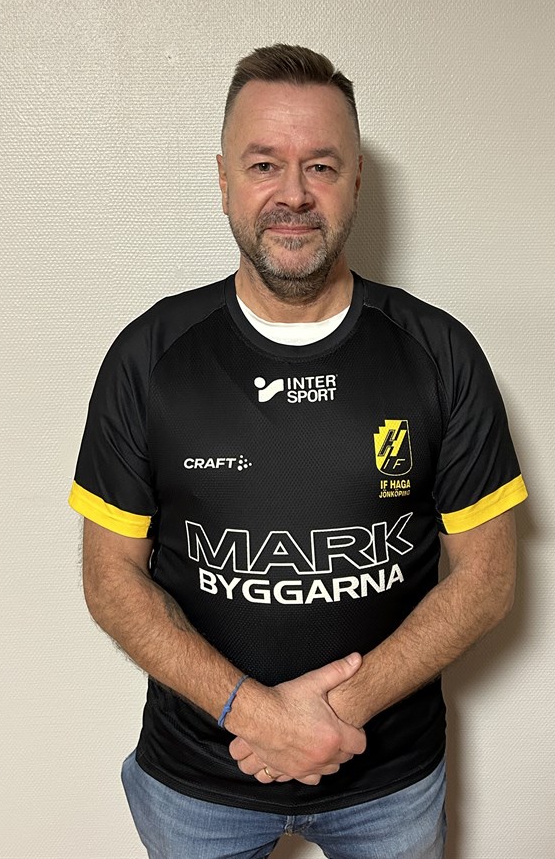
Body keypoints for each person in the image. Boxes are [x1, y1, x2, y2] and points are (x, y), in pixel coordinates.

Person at [68, 44, 528, 859]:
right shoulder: (149, 357)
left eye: (321, 165)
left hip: (388, 783)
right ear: (223, 179)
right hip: (197, 786)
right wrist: (256, 715)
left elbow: (486, 579)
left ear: (356, 180)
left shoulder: (440, 353)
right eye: (263, 165)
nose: (293, 194)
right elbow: (111, 579)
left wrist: (332, 716)